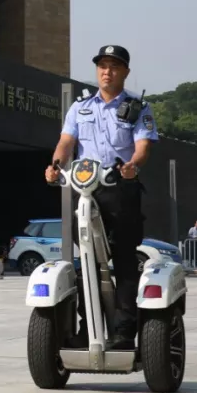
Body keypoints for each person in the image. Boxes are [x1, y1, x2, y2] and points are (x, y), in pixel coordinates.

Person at [44, 45, 158, 350]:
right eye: (103, 66)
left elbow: (143, 147)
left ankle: (123, 331)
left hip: (121, 188)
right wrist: (55, 166)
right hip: (86, 190)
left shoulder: (138, 107)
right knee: (87, 263)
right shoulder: (80, 107)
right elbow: (66, 143)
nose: (107, 72)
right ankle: (88, 329)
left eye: (114, 66)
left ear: (125, 72)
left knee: (123, 259)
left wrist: (133, 166)